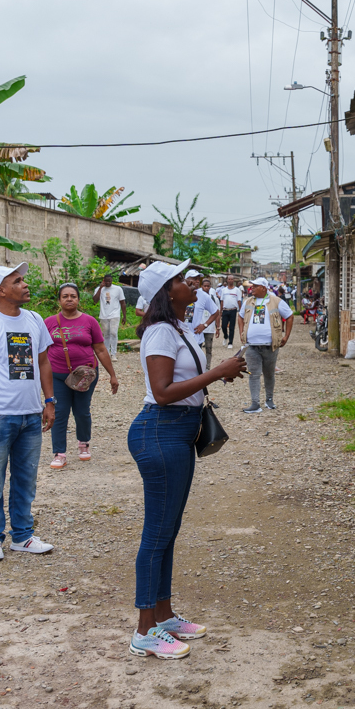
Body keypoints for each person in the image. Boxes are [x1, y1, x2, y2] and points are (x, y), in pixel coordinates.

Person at [128, 260, 247, 659]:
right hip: (160, 430)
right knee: (157, 533)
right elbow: (162, 391)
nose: (190, 283)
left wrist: (218, 373)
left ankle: (163, 616)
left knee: (169, 528)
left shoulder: (180, 328)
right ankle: (144, 631)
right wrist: (217, 373)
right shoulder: (161, 331)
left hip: (178, 430)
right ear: (166, 293)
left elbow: (185, 382)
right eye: (180, 280)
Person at [0, 263, 57, 563]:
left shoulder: (34, 320)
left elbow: (44, 363)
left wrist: (49, 401)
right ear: (1, 291)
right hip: (0, 417)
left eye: (23, 280)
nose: (25, 285)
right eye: (17, 281)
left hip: (31, 415)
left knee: (25, 479)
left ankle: (22, 536)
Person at [44, 283, 121, 469]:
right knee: (60, 412)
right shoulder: (49, 322)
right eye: (65, 296)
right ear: (59, 300)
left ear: (78, 299)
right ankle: (59, 453)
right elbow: (42, 351)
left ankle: (83, 443)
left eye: (73, 296)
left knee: (81, 411)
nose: (69, 299)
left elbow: (101, 349)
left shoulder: (89, 321)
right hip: (57, 376)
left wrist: (113, 375)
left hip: (85, 375)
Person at [237, 276, 293, 414]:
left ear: (263, 288)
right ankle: (255, 403)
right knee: (253, 374)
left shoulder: (276, 301)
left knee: (269, 374)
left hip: (270, 345)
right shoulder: (248, 301)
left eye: (255, 286)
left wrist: (286, 336)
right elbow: (240, 316)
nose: (252, 288)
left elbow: (290, 316)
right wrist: (241, 332)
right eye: (252, 286)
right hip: (252, 346)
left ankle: (269, 400)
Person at [186, 269, 221, 366]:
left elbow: (215, 312)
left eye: (198, 279)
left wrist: (205, 325)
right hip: (180, 338)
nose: (197, 281)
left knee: (194, 366)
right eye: (194, 278)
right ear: (186, 280)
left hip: (196, 338)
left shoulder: (203, 296)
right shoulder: (179, 294)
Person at [93, 274, 127, 357]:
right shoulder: (99, 289)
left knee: (114, 333)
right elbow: (95, 300)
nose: (108, 282)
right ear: (103, 281)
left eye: (110, 281)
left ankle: (113, 353)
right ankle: (107, 353)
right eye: (106, 281)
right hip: (104, 315)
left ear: (112, 281)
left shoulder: (118, 289)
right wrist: (100, 288)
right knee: (106, 334)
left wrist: (124, 316)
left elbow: (123, 303)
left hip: (115, 314)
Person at [216, 275, 242, 346]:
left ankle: (230, 342)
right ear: (227, 280)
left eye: (232, 279)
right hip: (225, 310)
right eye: (229, 279)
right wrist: (220, 311)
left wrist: (241, 311)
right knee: (224, 326)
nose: (230, 280)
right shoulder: (224, 290)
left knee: (232, 327)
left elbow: (239, 301)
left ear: (233, 280)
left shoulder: (237, 290)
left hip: (233, 310)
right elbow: (222, 301)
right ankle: (225, 336)